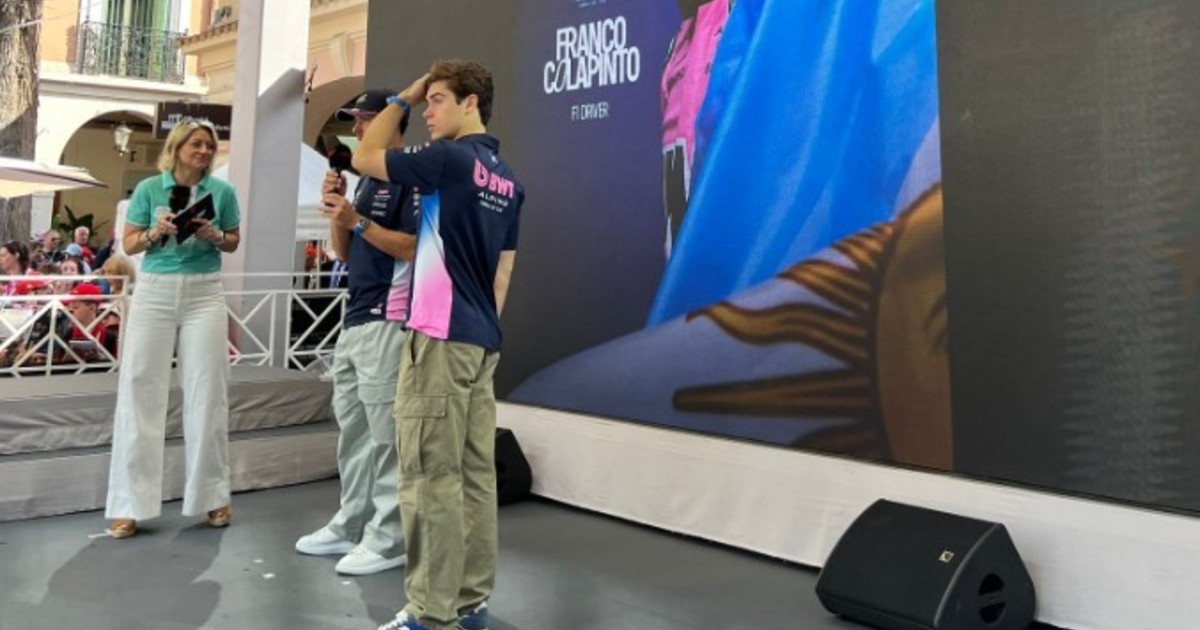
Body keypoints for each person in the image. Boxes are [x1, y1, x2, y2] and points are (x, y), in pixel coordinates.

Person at [353, 60, 523, 630]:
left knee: (429, 477)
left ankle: (429, 614)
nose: (428, 111)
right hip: (480, 341)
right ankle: (469, 603)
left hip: (440, 338)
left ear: (470, 103)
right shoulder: (508, 181)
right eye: (426, 101)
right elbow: (503, 274)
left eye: (439, 99)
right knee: (474, 476)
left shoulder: (448, 160)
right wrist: (480, 332)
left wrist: (403, 95)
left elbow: (365, 155)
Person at [294, 89, 420, 576]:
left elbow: (411, 247)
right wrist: (338, 210)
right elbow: (345, 253)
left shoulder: (410, 176)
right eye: (356, 120)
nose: (358, 129)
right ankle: (352, 524)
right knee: (353, 430)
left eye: (366, 119)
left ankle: (389, 539)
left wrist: (358, 219)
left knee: (385, 436)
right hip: (356, 317)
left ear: (391, 123)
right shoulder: (366, 181)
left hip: (389, 316)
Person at [104, 118, 241, 539]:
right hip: (156, 290)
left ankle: (212, 495)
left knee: (208, 391)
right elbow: (129, 244)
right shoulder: (149, 189)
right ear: (178, 147)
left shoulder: (222, 192)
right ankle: (128, 504)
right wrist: (154, 232)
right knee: (140, 389)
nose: (203, 151)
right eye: (196, 144)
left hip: (205, 291)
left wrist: (214, 233)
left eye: (208, 145)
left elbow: (233, 240)